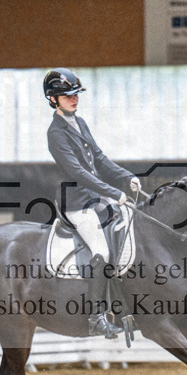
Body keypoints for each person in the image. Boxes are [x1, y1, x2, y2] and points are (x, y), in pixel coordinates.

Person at [44, 67, 142, 338]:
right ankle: (96, 317)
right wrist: (113, 192)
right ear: (53, 99)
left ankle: (123, 308)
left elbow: (99, 158)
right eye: (67, 95)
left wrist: (127, 177)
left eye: (76, 94)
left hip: (94, 197)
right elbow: (78, 172)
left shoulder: (80, 122)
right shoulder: (56, 133)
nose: (74, 98)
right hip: (75, 202)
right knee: (102, 251)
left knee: (127, 226)